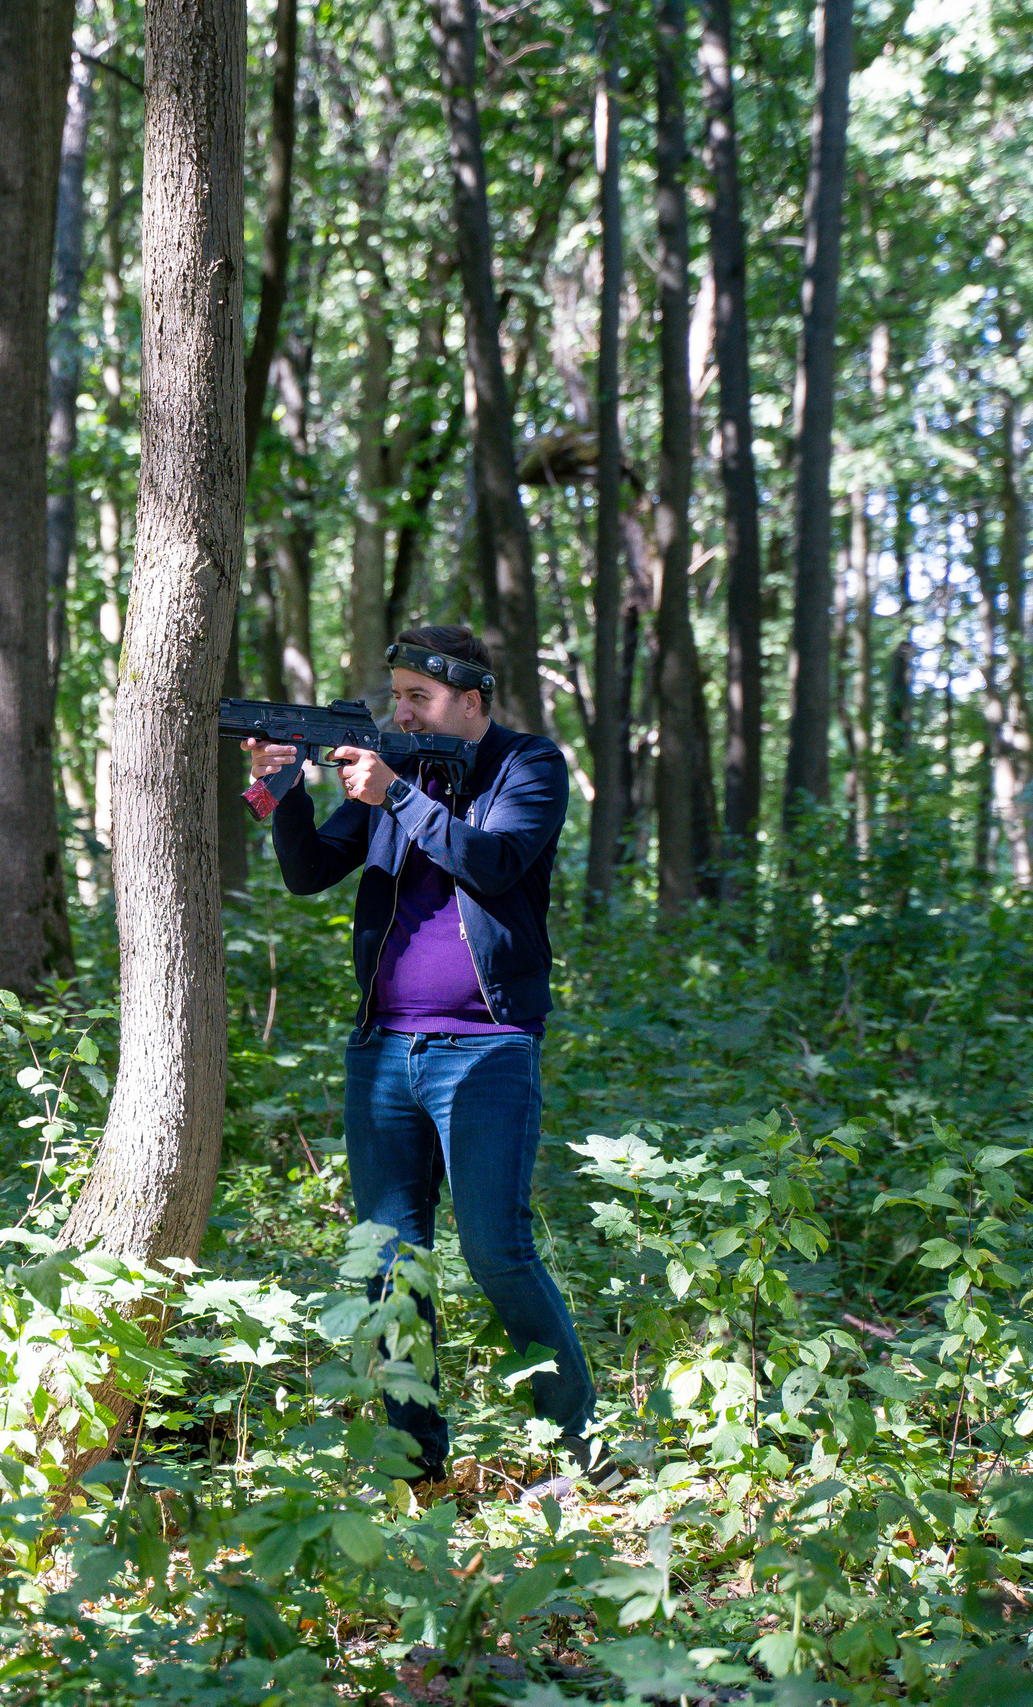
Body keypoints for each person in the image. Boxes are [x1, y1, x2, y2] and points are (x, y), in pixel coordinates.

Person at [242, 625, 598, 1497]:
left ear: (471, 702)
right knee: (389, 1265)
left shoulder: (530, 766)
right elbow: (309, 869)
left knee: (496, 1250)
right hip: (383, 1053)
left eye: (419, 698)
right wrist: (281, 783)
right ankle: (418, 1464)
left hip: (489, 1049)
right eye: (395, 695)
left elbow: (496, 859)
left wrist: (395, 794)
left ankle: (583, 1447)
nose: (400, 710)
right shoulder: (399, 774)